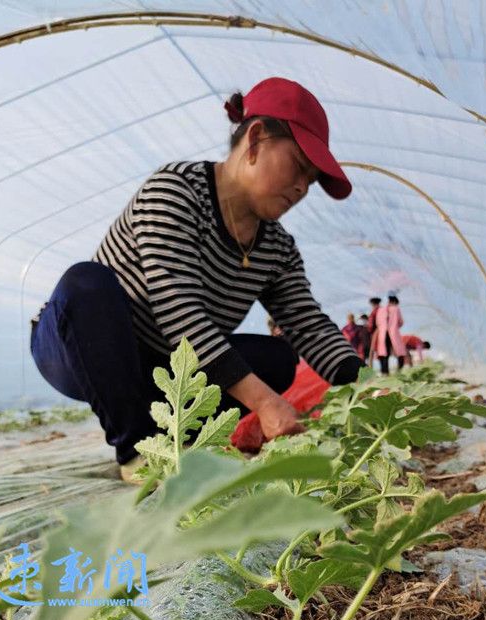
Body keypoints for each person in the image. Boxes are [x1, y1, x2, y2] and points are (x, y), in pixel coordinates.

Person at [29, 77, 364, 481]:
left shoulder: (277, 248)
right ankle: (137, 451)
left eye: (310, 181)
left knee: (276, 360)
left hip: (164, 368)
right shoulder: (176, 191)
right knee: (85, 282)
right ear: (255, 139)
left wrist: (367, 387)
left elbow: (307, 323)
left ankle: (173, 436)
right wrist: (266, 404)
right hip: (80, 350)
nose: (301, 187)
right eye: (298, 166)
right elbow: (179, 308)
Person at [371, 294, 405, 373]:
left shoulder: (380, 309)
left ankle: (385, 372)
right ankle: (400, 370)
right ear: (394, 301)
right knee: (400, 352)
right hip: (393, 333)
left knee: (384, 353)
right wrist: (395, 326)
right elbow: (401, 322)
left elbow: (377, 323)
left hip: (383, 334)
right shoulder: (396, 309)